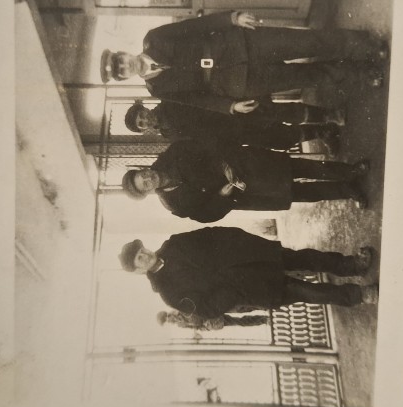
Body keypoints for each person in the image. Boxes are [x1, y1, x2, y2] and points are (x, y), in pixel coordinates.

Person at [99, 10, 387, 115]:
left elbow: (194, 26)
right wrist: (229, 106)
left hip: (240, 44)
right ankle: (363, 73)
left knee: (307, 43)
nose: (127, 66)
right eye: (121, 72)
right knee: (308, 76)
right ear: (124, 78)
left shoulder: (154, 39)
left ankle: (367, 46)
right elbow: (197, 100)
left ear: (124, 53)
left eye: (121, 61)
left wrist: (231, 19)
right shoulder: (157, 90)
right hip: (239, 83)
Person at [119, 227, 378, 323]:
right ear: (140, 271)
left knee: (306, 258)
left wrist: (242, 241)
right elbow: (207, 310)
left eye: (141, 251)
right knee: (308, 292)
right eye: (139, 259)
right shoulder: (169, 293)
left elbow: (212, 235)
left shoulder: (174, 244)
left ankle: (354, 265)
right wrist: (232, 291)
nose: (145, 255)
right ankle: (360, 295)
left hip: (252, 257)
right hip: (250, 289)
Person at [121, 139, 370, 222]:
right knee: (300, 193)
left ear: (143, 169)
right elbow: (205, 215)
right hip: (245, 192)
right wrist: (223, 196)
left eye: (143, 175)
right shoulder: (173, 204)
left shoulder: (171, 154)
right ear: (148, 192)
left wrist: (224, 164)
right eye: (145, 184)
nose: (148, 178)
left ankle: (350, 171)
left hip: (244, 163)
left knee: (301, 167)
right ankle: (348, 191)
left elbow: (206, 143)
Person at [123, 99, 342, 154]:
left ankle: (328, 114)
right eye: (141, 124)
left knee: (279, 113)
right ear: (144, 130)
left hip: (231, 113)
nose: (145, 120)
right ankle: (323, 132)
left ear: (144, 108)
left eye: (141, 115)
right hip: (233, 135)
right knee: (279, 138)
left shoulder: (169, 103)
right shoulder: (167, 134)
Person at [157, 309, 270, 331]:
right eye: (167, 323)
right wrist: (206, 328)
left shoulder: (181, 310)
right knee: (240, 322)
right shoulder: (180, 325)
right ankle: (265, 320)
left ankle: (264, 307)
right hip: (213, 322)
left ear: (168, 315)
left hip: (213, 310)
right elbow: (197, 327)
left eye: (167, 320)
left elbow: (197, 308)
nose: (169, 322)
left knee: (240, 308)